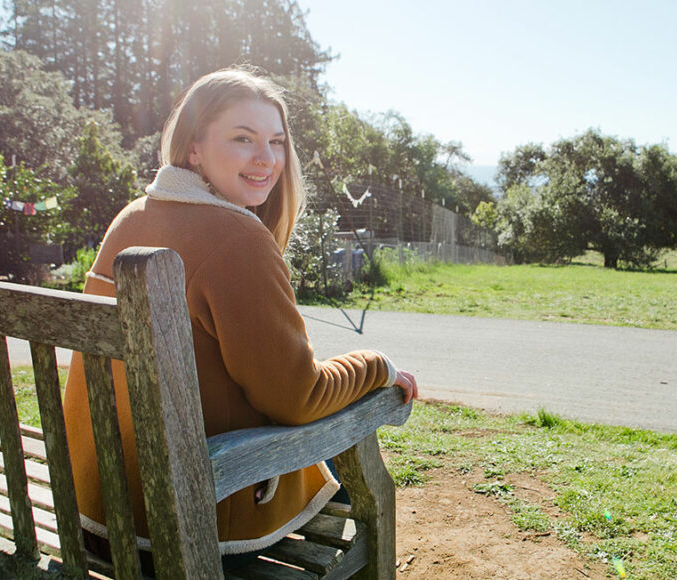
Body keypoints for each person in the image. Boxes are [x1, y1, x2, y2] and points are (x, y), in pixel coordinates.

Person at [61, 67, 417, 571]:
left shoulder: (132, 216)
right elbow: (298, 399)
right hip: (197, 518)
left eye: (276, 141)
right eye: (243, 139)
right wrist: (378, 366)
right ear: (193, 149)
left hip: (102, 508)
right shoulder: (237, 239)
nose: (267, 159)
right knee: (347, 408)